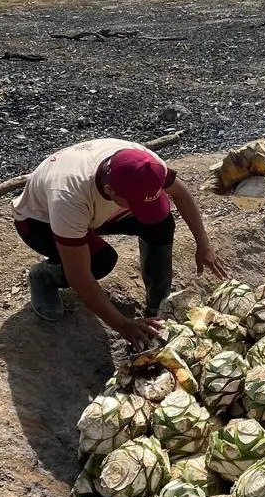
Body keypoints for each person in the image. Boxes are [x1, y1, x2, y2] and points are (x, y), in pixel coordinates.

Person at [12, 138, 226, 346]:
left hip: (96, 211)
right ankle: (44, 276)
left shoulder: (145, 163)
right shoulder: (68, 197)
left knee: (160, 223)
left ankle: (158, 308)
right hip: (40, 222)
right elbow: (79, 277)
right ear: (109, 191)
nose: (141, 210)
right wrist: (123, 325)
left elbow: (181, 193)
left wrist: (203, 243)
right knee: (101, 261)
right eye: (136, 204)